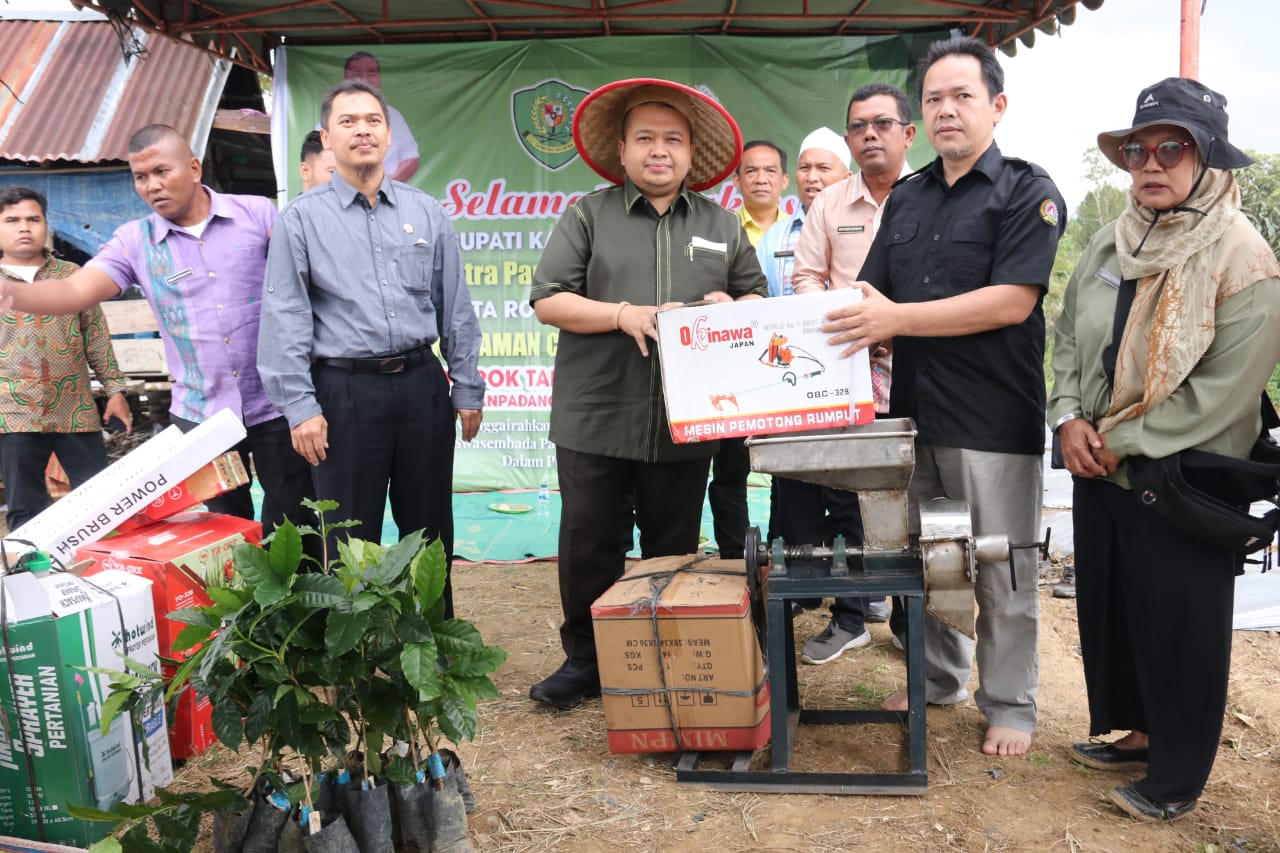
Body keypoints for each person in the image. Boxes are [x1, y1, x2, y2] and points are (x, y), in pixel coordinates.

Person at [821, 36, 1066, 756]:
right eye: (934, 99)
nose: (947, 110)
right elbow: (869, 296)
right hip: (915, 414)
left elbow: (1011, 301)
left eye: (962, 95)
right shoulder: (909, 195)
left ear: (997, 104)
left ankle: (1011, 703)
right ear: (921, 115)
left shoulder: (1026, 190)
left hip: (993, 417)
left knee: (1002, 563)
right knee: (932, 561)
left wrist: (894, 321)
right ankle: (938, 679)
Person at [1050, 78, 1280, 822]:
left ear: (1209, 157)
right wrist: (1067, 417)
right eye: (1138, 151)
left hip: (1185, 472)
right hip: (1100, 463)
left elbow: (1227, 390)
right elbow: (1067, 336)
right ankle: (1140, 732)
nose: (1150, 164)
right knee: (1118, 605)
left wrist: (1114, 439)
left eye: (1172, 148)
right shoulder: (1113, 239)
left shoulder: (1244, 257)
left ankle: (1176, 777)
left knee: (1181, 622)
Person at [528, 78, 766, 708]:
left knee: (672, 547)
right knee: (589, 544)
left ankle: (664, 660)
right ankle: (585, 661)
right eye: (645, 139)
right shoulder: (588, 215)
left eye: (672, 140)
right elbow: (548, 300)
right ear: (623, 150)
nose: (659, 151)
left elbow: (756, 296)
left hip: (684, 420)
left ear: (691, 154)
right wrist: (622, 314)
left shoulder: (720, 223)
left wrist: (733, 305)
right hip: (596, 412)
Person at [0, 126, 315, 535]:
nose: (151, 186)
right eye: (140, 177)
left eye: (161, 171)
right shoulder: (135, 241)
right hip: (201, 413)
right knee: (224, 532)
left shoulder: (258, 214)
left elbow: (303, 287)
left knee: (295, 523)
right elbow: (75, 291)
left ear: (194, 168)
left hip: (277, 403)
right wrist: (11, 293)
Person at [259, 79, 484, 618]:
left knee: (429, 529)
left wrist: (466, 385)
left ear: (387, 135)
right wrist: (300, 406)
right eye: (348, 121)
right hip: (343, 392)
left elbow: (454, 304)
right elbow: (285, 316)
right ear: (326, 138)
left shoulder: (427, 212)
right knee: (348, 534)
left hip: (421, 385)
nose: (362, 130)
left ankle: (432, 641)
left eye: (372, 121)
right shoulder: (301, 220)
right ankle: (357, 654)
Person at [789, 84, 921, 655]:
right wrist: (841, 326)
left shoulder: (933, 194)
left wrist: (898, 324)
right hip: (846, 368)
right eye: (859, 126)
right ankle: (850, 616)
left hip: (921, 367)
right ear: (849, 139)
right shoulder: (831, 204)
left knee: (915, 498)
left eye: (882, 123)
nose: (870, 134)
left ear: (907, 133)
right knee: (848, 491)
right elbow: (806, 277)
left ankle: (913, 625)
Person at [0, 186, 132, 531]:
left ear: (46, 224)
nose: (24, 227)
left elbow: (96, 336)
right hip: (12, 413)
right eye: (12, 220)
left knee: (100, 501)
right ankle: (28, 565)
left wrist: (115, 390)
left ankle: (101, 562)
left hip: (74, 408)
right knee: (24, 508)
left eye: (33, 219)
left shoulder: (72, 275)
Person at [337, 51, 420, 183]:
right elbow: (322, 160)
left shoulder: (393, 116)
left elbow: (411, 158)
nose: (365, 79)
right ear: (345, 78)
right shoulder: (332, 115)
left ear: (379, 79)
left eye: (371, 74)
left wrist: (385, 185)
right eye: (358, 74)